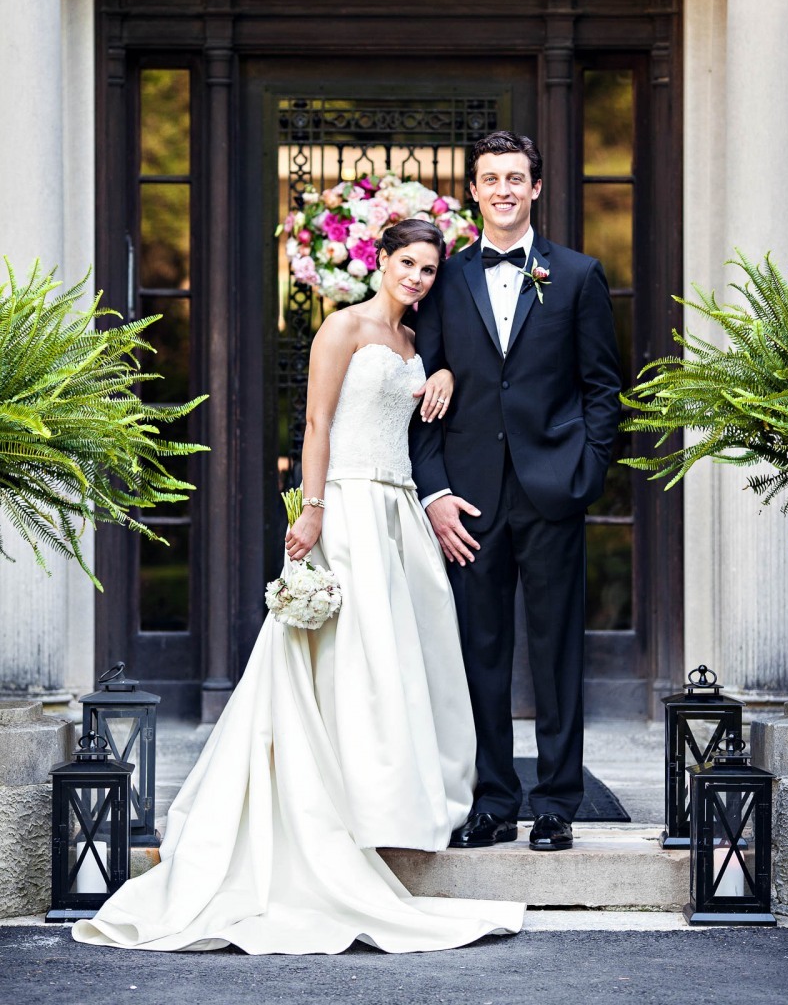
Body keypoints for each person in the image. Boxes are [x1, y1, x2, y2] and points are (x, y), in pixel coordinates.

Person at [72, 218, 525, 955]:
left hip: (399, 512)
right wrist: (312, 511)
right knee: (347, 660)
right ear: (381, 260)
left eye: (430, 270)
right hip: (346, 504)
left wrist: (438, 374)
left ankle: (391, 803)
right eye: (407, 264)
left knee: (404, 666)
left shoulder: (417, 346)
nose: (417, 278)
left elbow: (426, 416)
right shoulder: (342, 329)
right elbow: (314, 423)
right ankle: (335, 808)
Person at [410, 132, 621, 854]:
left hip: (552, 491)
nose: (502, 189)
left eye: (515, 178)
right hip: (468, 502)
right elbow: (422, 393)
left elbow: (602, 387)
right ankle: (493, 800)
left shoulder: (579, 275)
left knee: (558, 652)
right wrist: (434, 492)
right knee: (479, 655)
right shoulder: (445, 280)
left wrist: (585, 473)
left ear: (535, 189)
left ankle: (558, 801)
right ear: (473, 190)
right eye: (490, 178)